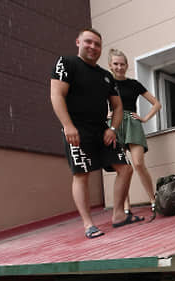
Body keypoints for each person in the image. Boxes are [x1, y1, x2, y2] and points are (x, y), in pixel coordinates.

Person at [50, 28, 141, 239]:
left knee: (125, 168)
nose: (93, 47)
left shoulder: (105, 76)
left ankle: (118, 214)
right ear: (78, 42)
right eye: (88, 42)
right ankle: (88, 224)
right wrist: (68, 126)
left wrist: (112, 129)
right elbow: (56, 95)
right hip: (77, 129)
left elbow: (117, 107)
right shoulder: (66, 63)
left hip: (102, 130)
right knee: (82, 175)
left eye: (97, 44)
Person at [107, 49, 162, 221]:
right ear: (110, 65)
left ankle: (153, 200)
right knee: (123, 168)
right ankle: (126, 208)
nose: (119, 67)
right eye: (116, 64)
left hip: (132, 122)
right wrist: (105, 115)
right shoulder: (107, 83)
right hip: (114, 125)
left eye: (122, 64)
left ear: (127, 65)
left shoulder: (134, 84)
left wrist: (144, 118)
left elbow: (156, 104)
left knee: (138, 164)